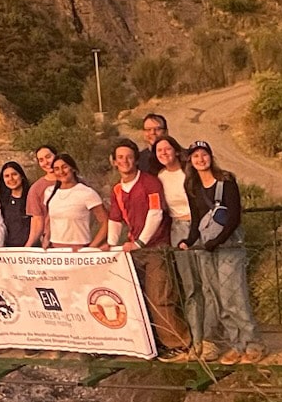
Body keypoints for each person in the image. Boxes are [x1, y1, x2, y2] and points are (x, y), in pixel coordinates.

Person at [179, 141, 265, 364]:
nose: (200, 159)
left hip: (229, 247)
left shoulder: (226, 182)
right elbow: (196, 218)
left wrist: (218, 240)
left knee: (234, 295)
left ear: (211, 156)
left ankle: (252, 343)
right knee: (218, 298)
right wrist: (189, 240)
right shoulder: (192, 187)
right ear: (190, 160)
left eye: (204, 154)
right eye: (195, 156)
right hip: (207, 248)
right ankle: (236, 344)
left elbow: (234, 217)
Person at [106, 139, 191, 359]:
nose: (125, 161)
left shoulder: (150, 183)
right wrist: (111, 244)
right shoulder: (117, 189)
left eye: (129, 156)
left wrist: (140, 242)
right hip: (133, 250)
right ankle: (147, 342)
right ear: (113, 161)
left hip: (156, 247)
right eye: (120, 157)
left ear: (136, 159)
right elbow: (115, 219)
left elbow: (156, 214)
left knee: (160, 295)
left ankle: (179, 343)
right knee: (135, 297)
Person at [153, 134, 214, 359]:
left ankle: (210, 338)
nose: (164, 154)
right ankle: (195, 339)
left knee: (209, 283)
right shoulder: (159, 177)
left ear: (176, 150)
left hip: (200, 226)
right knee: (190, 287)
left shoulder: (190, 171)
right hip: (178, 230)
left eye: (167, 149)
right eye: (159, 151)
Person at [40, 154, 108, 248]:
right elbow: (49, 219)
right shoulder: (49, 192)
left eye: (64, 167)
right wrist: (46, 237)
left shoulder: (87, 193)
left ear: (73, 169)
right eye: (56, 169)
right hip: (55, 252)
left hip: (78, 252)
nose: (61, 171)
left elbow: (106, 222)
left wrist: (91, 248)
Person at [25, 145, 59, 246]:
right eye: (41, 160)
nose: (46, 162)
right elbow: (37, 220)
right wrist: (27, 247)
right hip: (50, 243)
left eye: (48, 157)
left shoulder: (77, 182)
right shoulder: (36, 188)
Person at [0, 161, 29, 251]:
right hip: (10, 252)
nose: (11, 179)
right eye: (7, 176)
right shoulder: (1, 202)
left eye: (14, 174)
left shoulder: (32, 197)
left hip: (31, 250)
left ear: (21, 175)